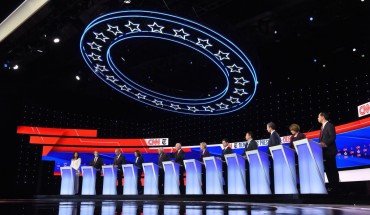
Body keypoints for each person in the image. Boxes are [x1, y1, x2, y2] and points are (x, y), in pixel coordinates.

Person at [318, 112, 340, 193]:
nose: (318, 118)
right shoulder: (322, 127)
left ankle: (336, 187)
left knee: (332, 169)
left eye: (318, 117)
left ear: (322, 117)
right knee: (328, 170)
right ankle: (331, 187)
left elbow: (333, 137)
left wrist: (324, 143)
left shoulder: (329, 125)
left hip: (330, 151)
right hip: (324, 152)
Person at [288, 123, 306, 190]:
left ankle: (303, 185)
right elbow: (290, 147)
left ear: (295, 129)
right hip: (294, 157)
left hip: (301, 156)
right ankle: (298, 185)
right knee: (296, 171)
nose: (291, 131)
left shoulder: (302, 135)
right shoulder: (292, 137)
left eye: (292, 130)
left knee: (302, 171)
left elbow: (304, 145)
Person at [266, 122, 281, 193]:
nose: (266, 129)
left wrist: (268, 154)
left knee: (274, 174)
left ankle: (274, 191)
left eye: (267, 127)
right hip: (272, 157)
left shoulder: (274, 135)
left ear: (270, 127)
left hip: (275, 158)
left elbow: (274, 146)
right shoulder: (273, 135)